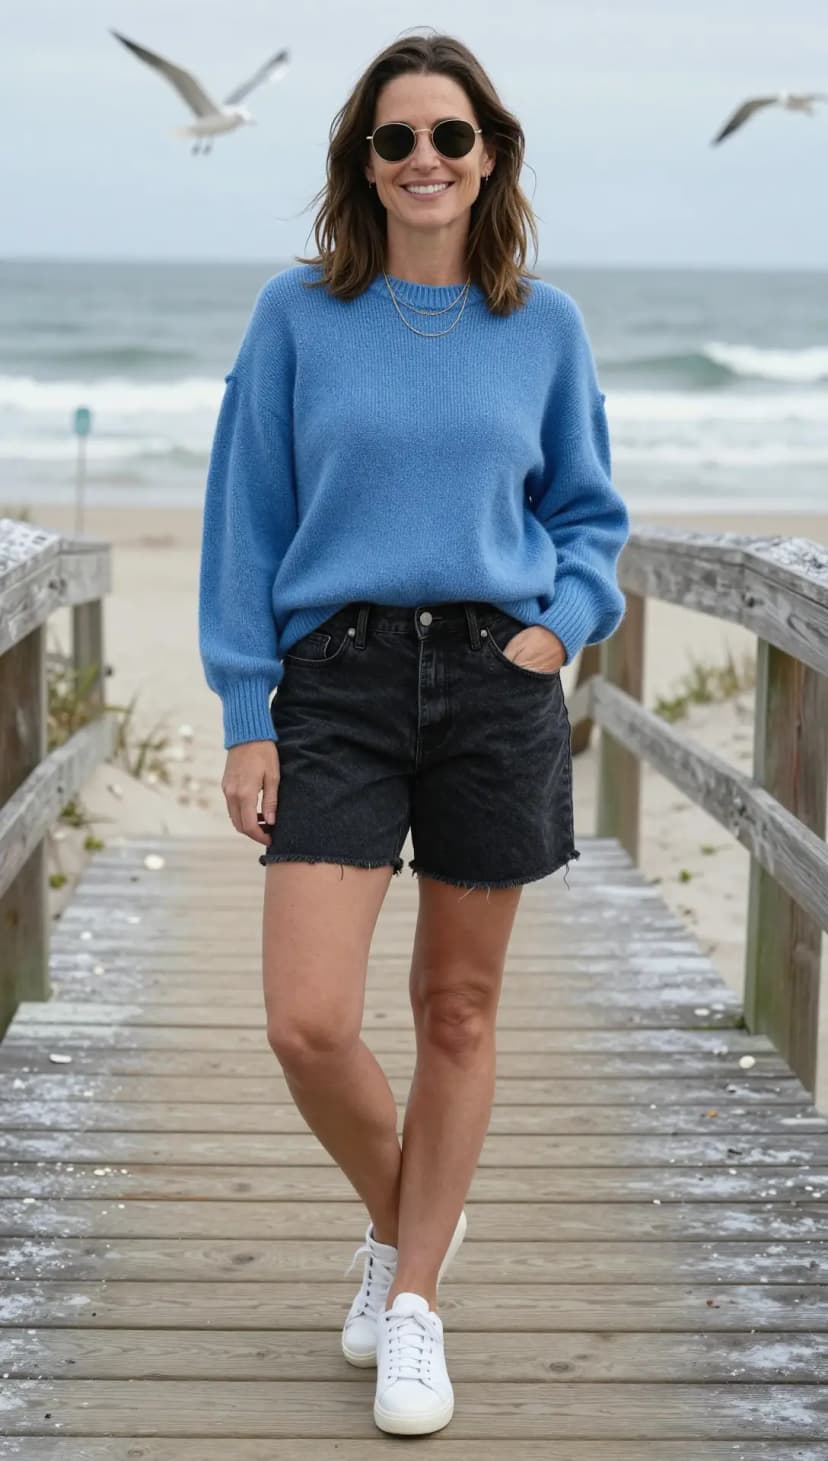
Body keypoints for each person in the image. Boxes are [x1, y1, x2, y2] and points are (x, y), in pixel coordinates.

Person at [198, 29, 630, 1438]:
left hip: (496, 684)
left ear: (488, 154)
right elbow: (244, 523)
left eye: (451, 135)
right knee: (308, 1018)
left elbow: (588, 514)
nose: (426, 159)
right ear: (364, 165)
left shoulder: (544, 325)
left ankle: (415, 1301)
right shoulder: (297, 316)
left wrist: (558, 629)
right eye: (398, 139)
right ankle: (409, 1235)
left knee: (457, 1007)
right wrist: (248, 712)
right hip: (338, 678)